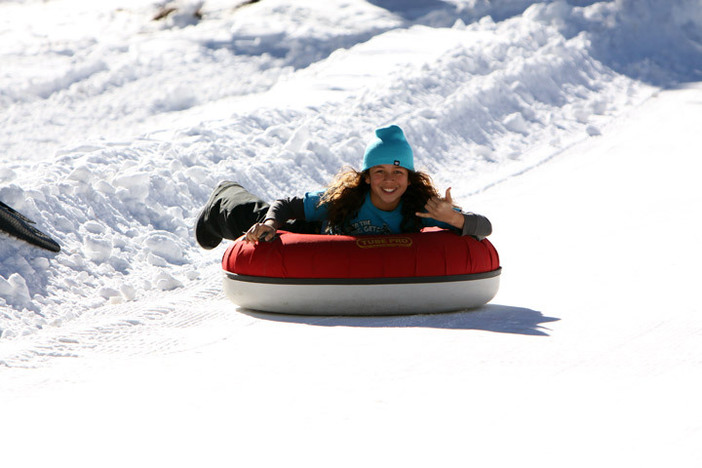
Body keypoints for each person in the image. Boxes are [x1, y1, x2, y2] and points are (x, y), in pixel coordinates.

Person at [195, 125, 491, 249]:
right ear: (366, 177)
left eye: (398, 172)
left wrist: (453, 218)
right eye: (380, 171)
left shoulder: (422, 206)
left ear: (409, 177)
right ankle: (221, 200)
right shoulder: (347, 198)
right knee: (253, 218)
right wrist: (271, 223)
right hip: (314, 235)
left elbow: (485, 227)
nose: (389, 180)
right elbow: (286, 204)